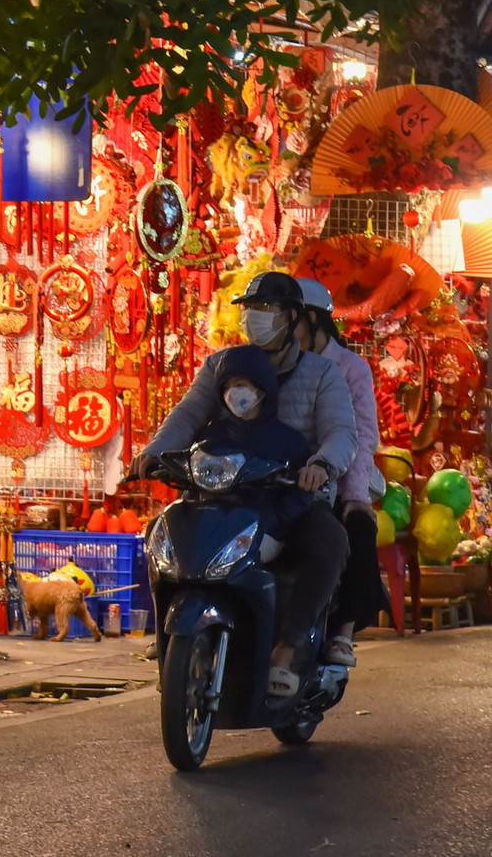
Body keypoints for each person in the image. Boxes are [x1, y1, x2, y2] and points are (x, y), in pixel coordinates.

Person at [132, 272, 356, 699]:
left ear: (293, 318)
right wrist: (155, 452)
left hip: (293, 494)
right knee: (164, 533)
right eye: (252, 310)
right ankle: (166, 627)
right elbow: (187, 415)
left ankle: (288, 648)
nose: (257, 319)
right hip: (224, 492)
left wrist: (322, 466)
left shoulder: (323, 374)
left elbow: (342, 432)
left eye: (268, 310)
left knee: (328, 540)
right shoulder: (222, 365)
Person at [293, 278, 385, 670]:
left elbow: (363, 435)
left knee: (356, 529)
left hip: (338, 472)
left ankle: (343, 632)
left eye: (287, 317)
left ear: (312, 320)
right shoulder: (276, 360)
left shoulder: (351, 368)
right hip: (284, 474)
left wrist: (354, 495)